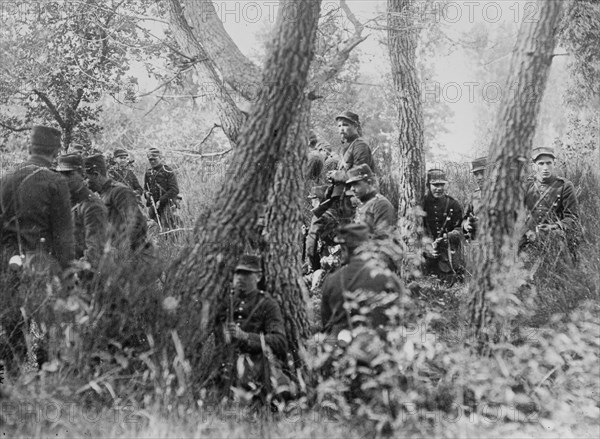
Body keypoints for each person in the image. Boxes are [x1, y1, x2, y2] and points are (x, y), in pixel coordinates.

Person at [0, 125, 75, 272]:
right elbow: (63, 237)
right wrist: (68, 272)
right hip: (40, 266)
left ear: (30, 148)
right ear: (56, 152)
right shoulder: (55, 181)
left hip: (7, 263)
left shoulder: (5, 179)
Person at [218, 255, 289, 401]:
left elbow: (280, 341)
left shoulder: (267, 304)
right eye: (237, 273)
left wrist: (245, 336)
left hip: (258, 364)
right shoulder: (227, 302)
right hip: (229, 362)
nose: (240, 278)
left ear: (258, 277)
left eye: (246, 273)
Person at [321, 223, 405, 337]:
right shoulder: (387, 277)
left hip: (342, 349)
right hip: (378, 348)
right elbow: (401, 319)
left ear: (345, 248)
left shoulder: (331, 280)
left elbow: (326, 322)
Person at [519, 147, 580, 263]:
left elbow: (572, 217)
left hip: (556, 234)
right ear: (534, 166)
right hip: (529, 235)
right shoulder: (526, 186)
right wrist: (527, 231)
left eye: (549, 163)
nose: (545, 168)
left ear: (554, 164)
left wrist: (553, 227)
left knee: (562, 264)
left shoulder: (565, 186)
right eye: (541, 164)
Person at [84, 154, 148, 256]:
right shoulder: (103, 194)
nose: (85, 183)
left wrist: (123, 251)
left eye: (86, 178)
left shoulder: (119, 192)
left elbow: (137, 224)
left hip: (128, 255)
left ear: (96, 175)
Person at [55, 153, 108, 269]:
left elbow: (95, 252)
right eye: (60, 174)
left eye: (69, 174)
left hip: (82, 276)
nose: (63, 179)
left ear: (82, 175)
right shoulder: (63, 202)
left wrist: (70, 272)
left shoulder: (92, 207)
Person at [421, 169, 464, 281]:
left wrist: (448, 236)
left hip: (447, 256)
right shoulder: (422, 203)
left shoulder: (453, 204)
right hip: (425, 256)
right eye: (435, 185)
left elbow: (460, 229)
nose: (439, 188)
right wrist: (426, 246)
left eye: (442, 184)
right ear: (428, 185)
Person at [346, 164, 396, 237]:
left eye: (356, 184)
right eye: (351, 185)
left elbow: (383, 238)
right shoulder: (362, 203)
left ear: (369, 182)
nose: (352, 189)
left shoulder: (381, 204)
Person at [144, 148, 180, 231]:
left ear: (160, 158)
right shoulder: (148, 173)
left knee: (169, 228)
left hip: (167, 204)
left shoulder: (168, 171)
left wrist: (161, 200)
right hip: (153, 206)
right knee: (153, 228)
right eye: (150, 160)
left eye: (155, 159)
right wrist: (146, 194)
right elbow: (145, 188)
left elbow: (174, 189)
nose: (152, 162)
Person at [462, 156, 487, 241]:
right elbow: (464, 219)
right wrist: (466, 225)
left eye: (483, 173)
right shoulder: (474, 196)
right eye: (476, 174)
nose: (479, 177)